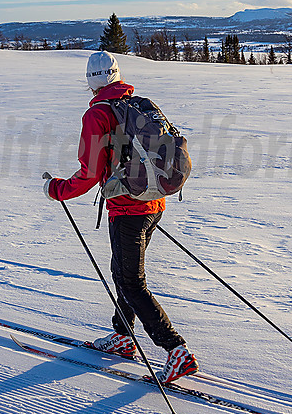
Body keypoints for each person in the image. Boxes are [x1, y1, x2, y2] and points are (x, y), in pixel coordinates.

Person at [43, 50, 198, 384]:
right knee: (121, 272)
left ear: (90, 82)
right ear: (116, 75)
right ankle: (124, 337)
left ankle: (176, 350)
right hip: (153, 203)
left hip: (128, 207)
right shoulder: (140, 104)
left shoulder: (98, 115)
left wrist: (58, 189)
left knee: (130, 281)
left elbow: (89, 173)